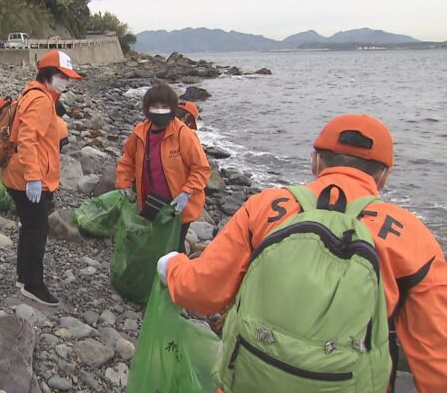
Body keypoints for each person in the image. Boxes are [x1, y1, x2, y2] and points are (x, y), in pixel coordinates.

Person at [158, 114, 447, 392]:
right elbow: (437, 365)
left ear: (316, 160)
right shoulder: (414, 239)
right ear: (384, 176)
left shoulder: (265, 207)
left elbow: (202, 292)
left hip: (250, 380)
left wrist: (172, 267)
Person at [0, 50, 82, 306]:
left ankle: (24, 277)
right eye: (61, 76)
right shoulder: (41, 100)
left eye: (67, 77)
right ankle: (33, 284)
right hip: (29, 177)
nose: (65, 81)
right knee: (37, 229)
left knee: (30, 226)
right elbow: (27, 138)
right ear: (47, 75)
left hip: (21, 174)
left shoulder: (36, 95)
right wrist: (34, 177)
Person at [115, 83, 211, 253]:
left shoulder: (183, 134)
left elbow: (201, 169)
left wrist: (187, 192)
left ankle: (176, 278)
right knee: (152, 243)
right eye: (155, 106)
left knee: (174, 247)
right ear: (147, 108)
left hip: (176, 206)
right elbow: (128, 159)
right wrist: (124, 182)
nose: (159, 111)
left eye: (165, 107)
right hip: (149, 201)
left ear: (173, 108)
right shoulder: (140, 132)